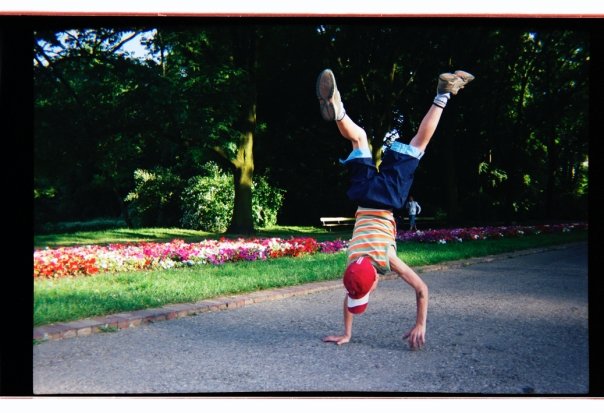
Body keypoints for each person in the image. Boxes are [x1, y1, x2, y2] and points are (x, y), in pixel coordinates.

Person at [316, 67, 474, 349]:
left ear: (375, 280)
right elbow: (351, 292)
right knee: (358, 138)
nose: (365, 293)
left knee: (418, 144)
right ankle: (339, 111)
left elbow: (422, 289)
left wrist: (420, 324)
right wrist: (347, 333)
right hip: (364, 195)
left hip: (388, 198)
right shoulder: (352, 261)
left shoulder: (386, 258)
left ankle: (443, 94)